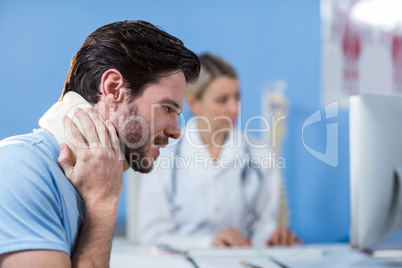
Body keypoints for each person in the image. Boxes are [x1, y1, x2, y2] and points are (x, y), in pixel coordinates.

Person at [0, 20, 200, 267]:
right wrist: (103, 207)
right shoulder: (19, 170)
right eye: (167, 108)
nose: (176, 131)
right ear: (114, 89)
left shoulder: (87, 183)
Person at [138, 54, 299, 248]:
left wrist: (274, 237)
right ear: (193, 103)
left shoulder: (260, 154)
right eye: (222, 100)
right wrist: (207, 243)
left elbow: (265, 225)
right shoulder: (163, 154)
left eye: (237, 96)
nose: (234, 108)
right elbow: (152, 236)